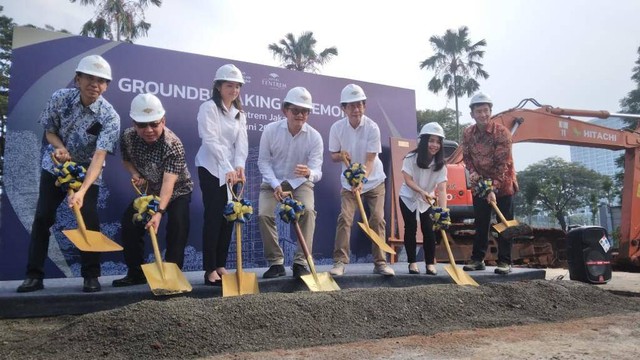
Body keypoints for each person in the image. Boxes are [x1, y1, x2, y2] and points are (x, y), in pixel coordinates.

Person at [17, 55, 120, 293]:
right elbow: (49, 132)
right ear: (78, 79)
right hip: (55, 166)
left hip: (88, 170)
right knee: (43, 217)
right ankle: (33, 276)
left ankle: (91, 276)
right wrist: (60, 147)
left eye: (101, 81)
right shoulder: (59, 98)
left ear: (106, 86)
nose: (95, 84)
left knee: (90, 220)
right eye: (89, 78)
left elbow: (99, 156)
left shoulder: (110, 116)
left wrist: (82, 191)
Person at [112, 93, 193, 287]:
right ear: (134, 124)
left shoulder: (174, 144)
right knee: (130, 223)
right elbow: (126, 160)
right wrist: (135, 174)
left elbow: (168, 184)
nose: (149, 130)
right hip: (149, 191)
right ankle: (136, 272)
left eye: (154, 124)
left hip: (177, 190)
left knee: (177, 226)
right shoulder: (127, 137)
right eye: (142, 125)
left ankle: (172, 277)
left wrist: (158, 212)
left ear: (163, 121)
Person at [328, 84, 394, 276]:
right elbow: (333, 155)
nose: (356, 109)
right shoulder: (337, 128)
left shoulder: (372, 127)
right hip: (349, 183)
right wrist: (341, 155)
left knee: (378, 219)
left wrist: (362, 180)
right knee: (345, 218)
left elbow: (371, 159)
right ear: (344, 109)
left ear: (364, 106)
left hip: (373, 181)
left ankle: (380, 263)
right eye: (351, 106)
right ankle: (339, 262)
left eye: (359, 105)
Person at [257, 86, 323, 279]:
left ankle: (301, 262)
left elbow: (318, 171)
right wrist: (275, 184)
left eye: (305, 111)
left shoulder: (315, 137)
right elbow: (263, 161)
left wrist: (309, 172)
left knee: (309, 212)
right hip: (273, 181)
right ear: (284, 110)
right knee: (263, 214)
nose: (300, 115)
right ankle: (276, 263)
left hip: (300, 183)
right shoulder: (270, 130)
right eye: (295, 110)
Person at [194, 64, 248, 286]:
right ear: (218, 86)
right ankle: (209, 270)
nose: (234, 90)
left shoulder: (239, 114)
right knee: (214, 217)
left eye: (237, 86)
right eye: (229, 85)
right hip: (210, 168)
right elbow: (210, 140)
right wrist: (227, 167)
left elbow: (241, 142)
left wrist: (239, 166)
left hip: (231, 173)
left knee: (229, 218)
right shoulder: (208, 108)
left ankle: (220, 264)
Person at [462, 92, 518, 275]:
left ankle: (504, 261)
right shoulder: (468, 133)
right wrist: (473, 172)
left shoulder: (502, 133)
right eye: (479, 111)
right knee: (481, 222)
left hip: (503, 183)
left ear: (491, 111)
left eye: (486, 111)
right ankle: (478, 259)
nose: (483, 115)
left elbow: (504, 164)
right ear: (472, 114)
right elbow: (467, 157)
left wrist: (493, 188)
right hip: (480, 185)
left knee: (504, 222)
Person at [398, 122, 448, 275]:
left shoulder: (441, 164)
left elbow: (441, 189)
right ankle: (412, 263)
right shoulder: (411, 157)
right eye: (431, 141)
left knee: (429, 230)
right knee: (410, 227)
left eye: (438, 141)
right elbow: (408, 180)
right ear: (423, 141)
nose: (434, 145)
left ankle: (429, 264)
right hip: (408, 196)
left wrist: (443, 212)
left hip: (427, 200)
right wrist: (422, 192)